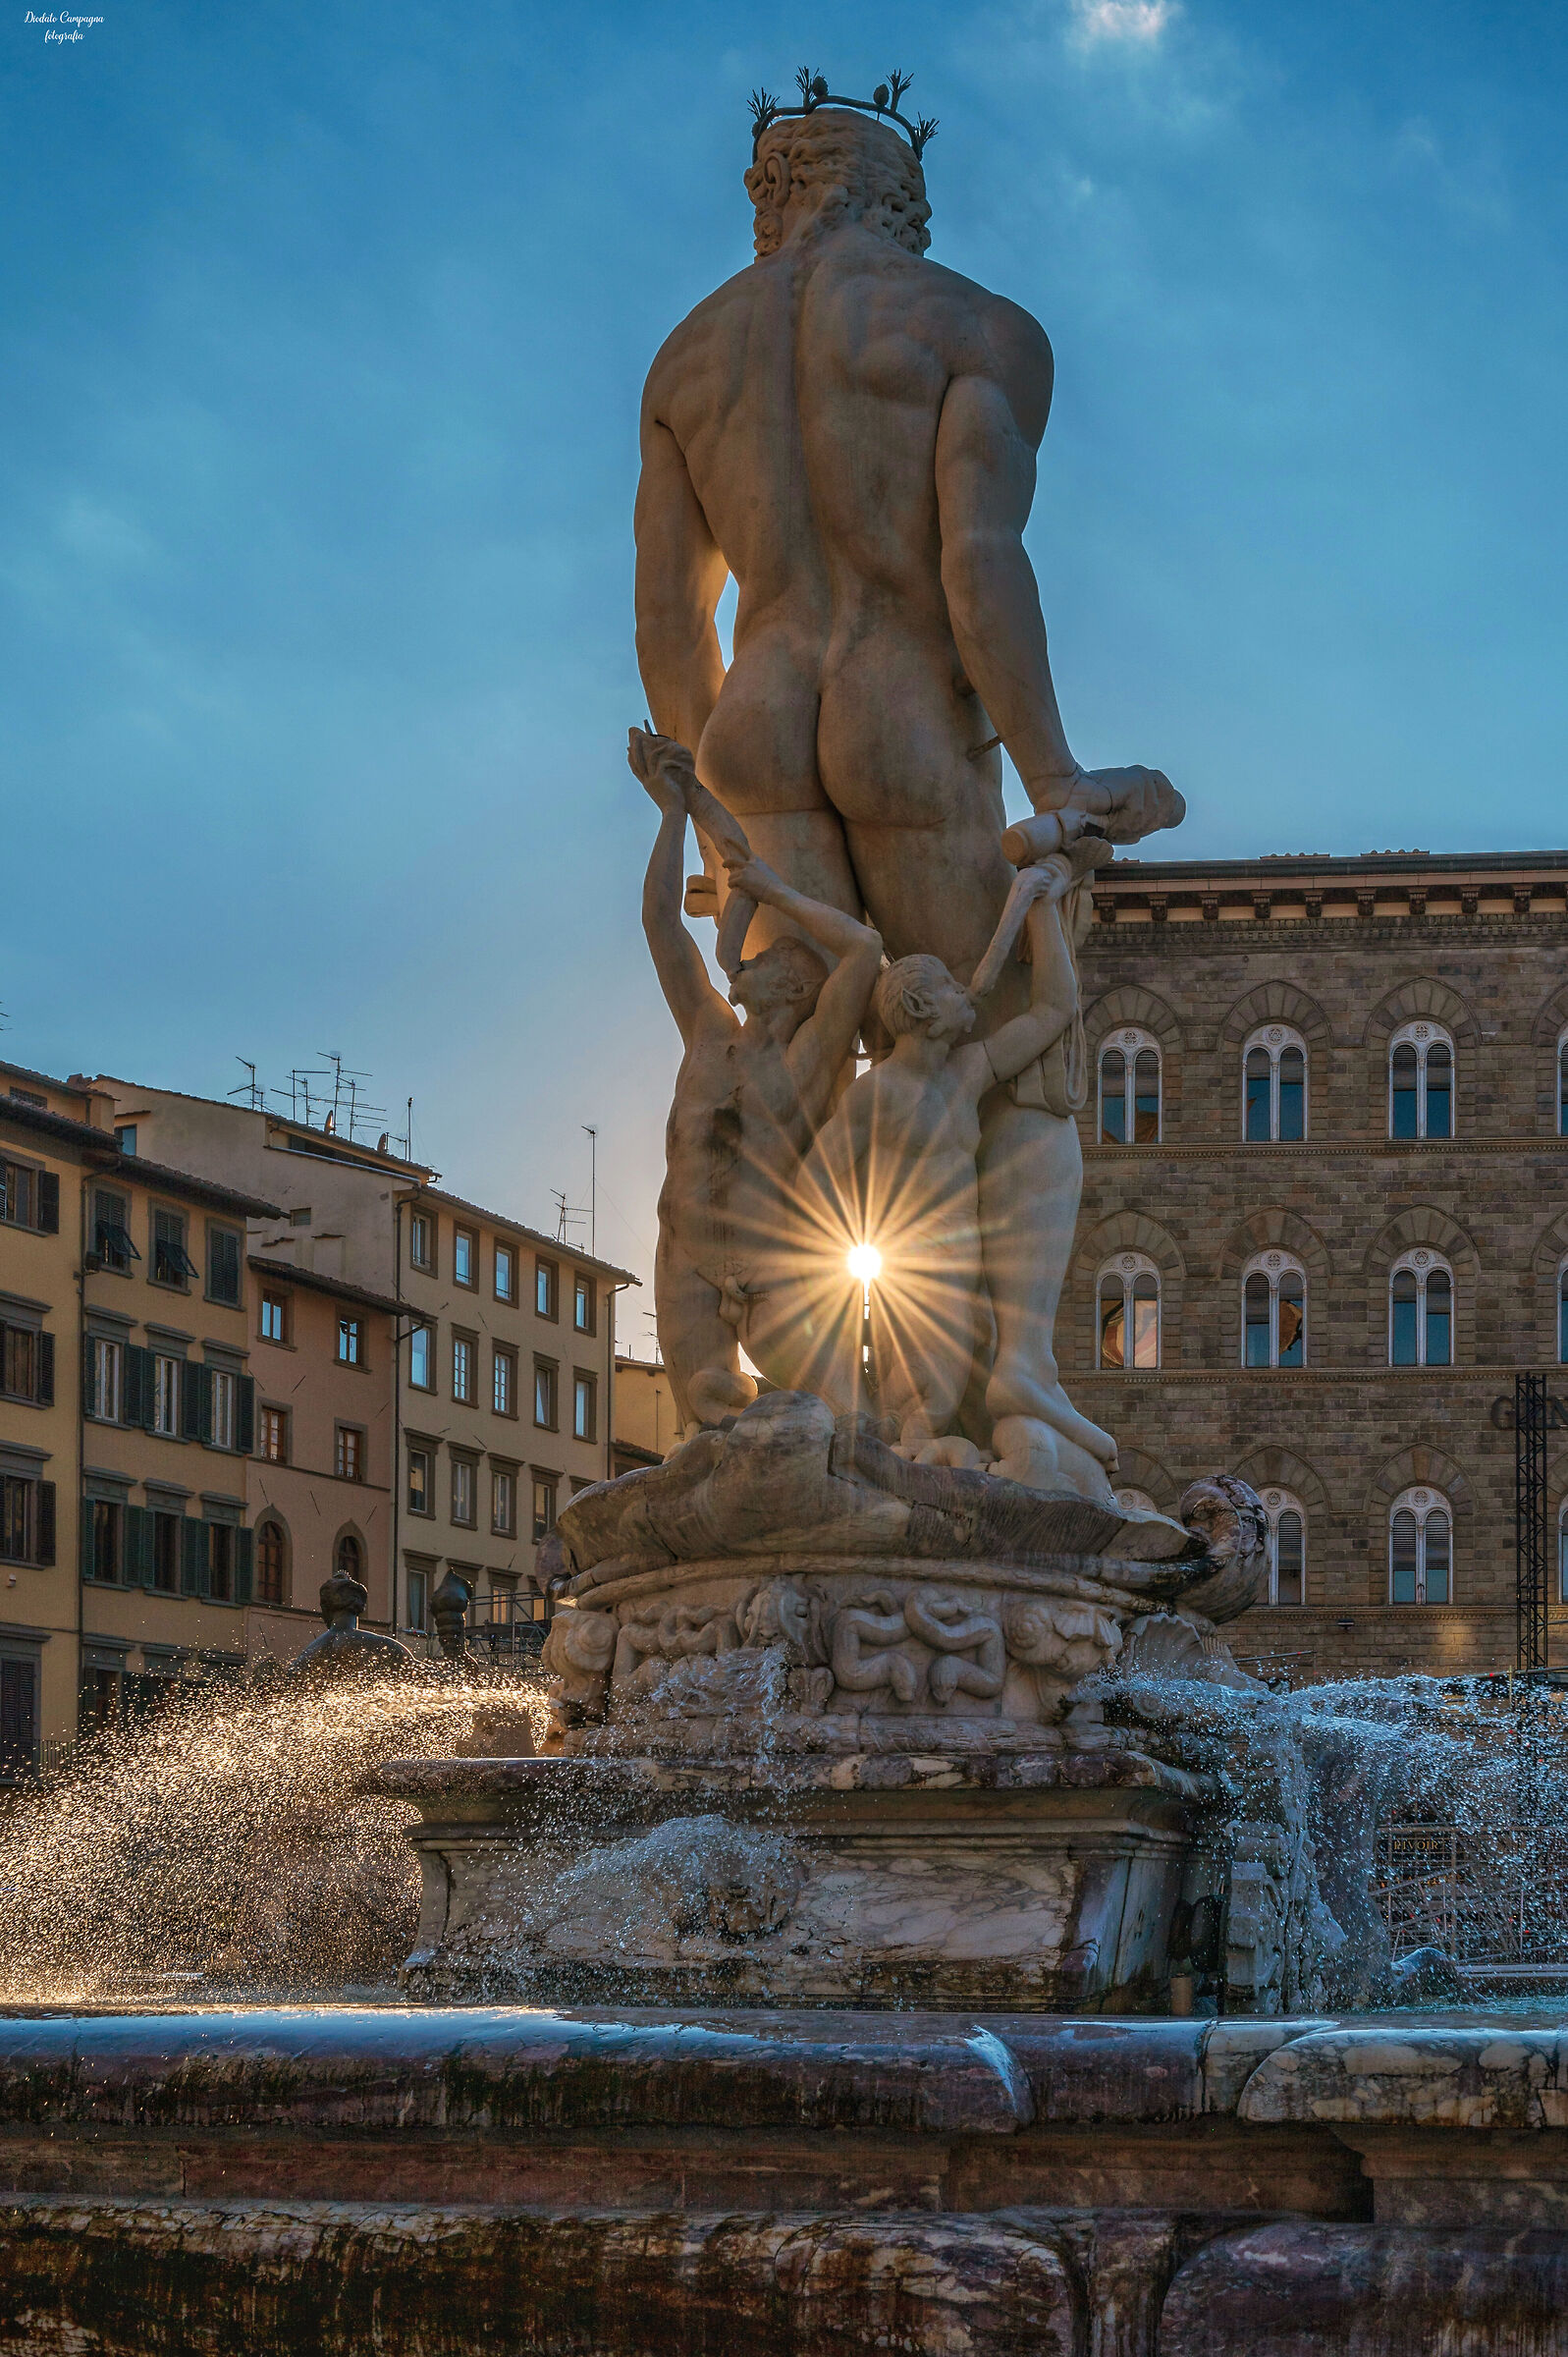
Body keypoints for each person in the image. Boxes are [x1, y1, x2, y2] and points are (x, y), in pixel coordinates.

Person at [633, 102, 1181, 1495]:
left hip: (754, 721)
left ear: (770, 198)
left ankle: (803, 1413)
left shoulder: (686, 360)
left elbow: (665, 624)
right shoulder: (970, 324)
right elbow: (975, 562)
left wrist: (714, 819)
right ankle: (1020, 1392)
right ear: (904, 201)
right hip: (901, 709)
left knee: (794, 1083)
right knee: (1012, 1061)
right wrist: (1053, 781)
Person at [786, 835, 1116, 1488]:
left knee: (969, 1373)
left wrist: (1042, 912)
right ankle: (909, 1454)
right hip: (908, 1263)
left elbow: (1052, 1011)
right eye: (945, 986)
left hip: (967, 1263)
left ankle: (954, 1451)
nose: (965, 990)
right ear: (915, 1007)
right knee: (923, 1397)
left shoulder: (966, 1075)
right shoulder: (874, 1094)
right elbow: (814, 1187)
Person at [629, 727, 883, 1443]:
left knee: (840, 1423)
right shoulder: (707, 1035)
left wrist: (776, 894)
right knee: (701, 1426)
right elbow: (657, 924)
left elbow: (863, 950)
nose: (748, 965)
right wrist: (672, 811)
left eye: (769, 961)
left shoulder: (805, 1062)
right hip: (686, 1249)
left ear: (794, 986)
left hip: (771, 1266)